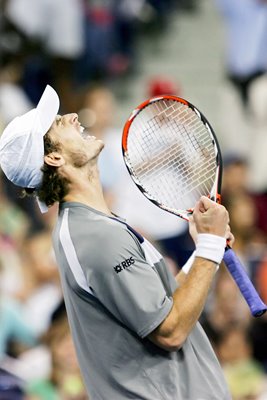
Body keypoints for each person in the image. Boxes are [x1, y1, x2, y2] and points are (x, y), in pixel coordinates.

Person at [0, 85, 234, 399]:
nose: (72, 116)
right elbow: (170, 330)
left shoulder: (90, 227)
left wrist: (206, 246)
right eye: (58, 124)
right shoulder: (95, 236)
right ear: (54, 157)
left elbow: (162, 303)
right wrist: (208, 250)